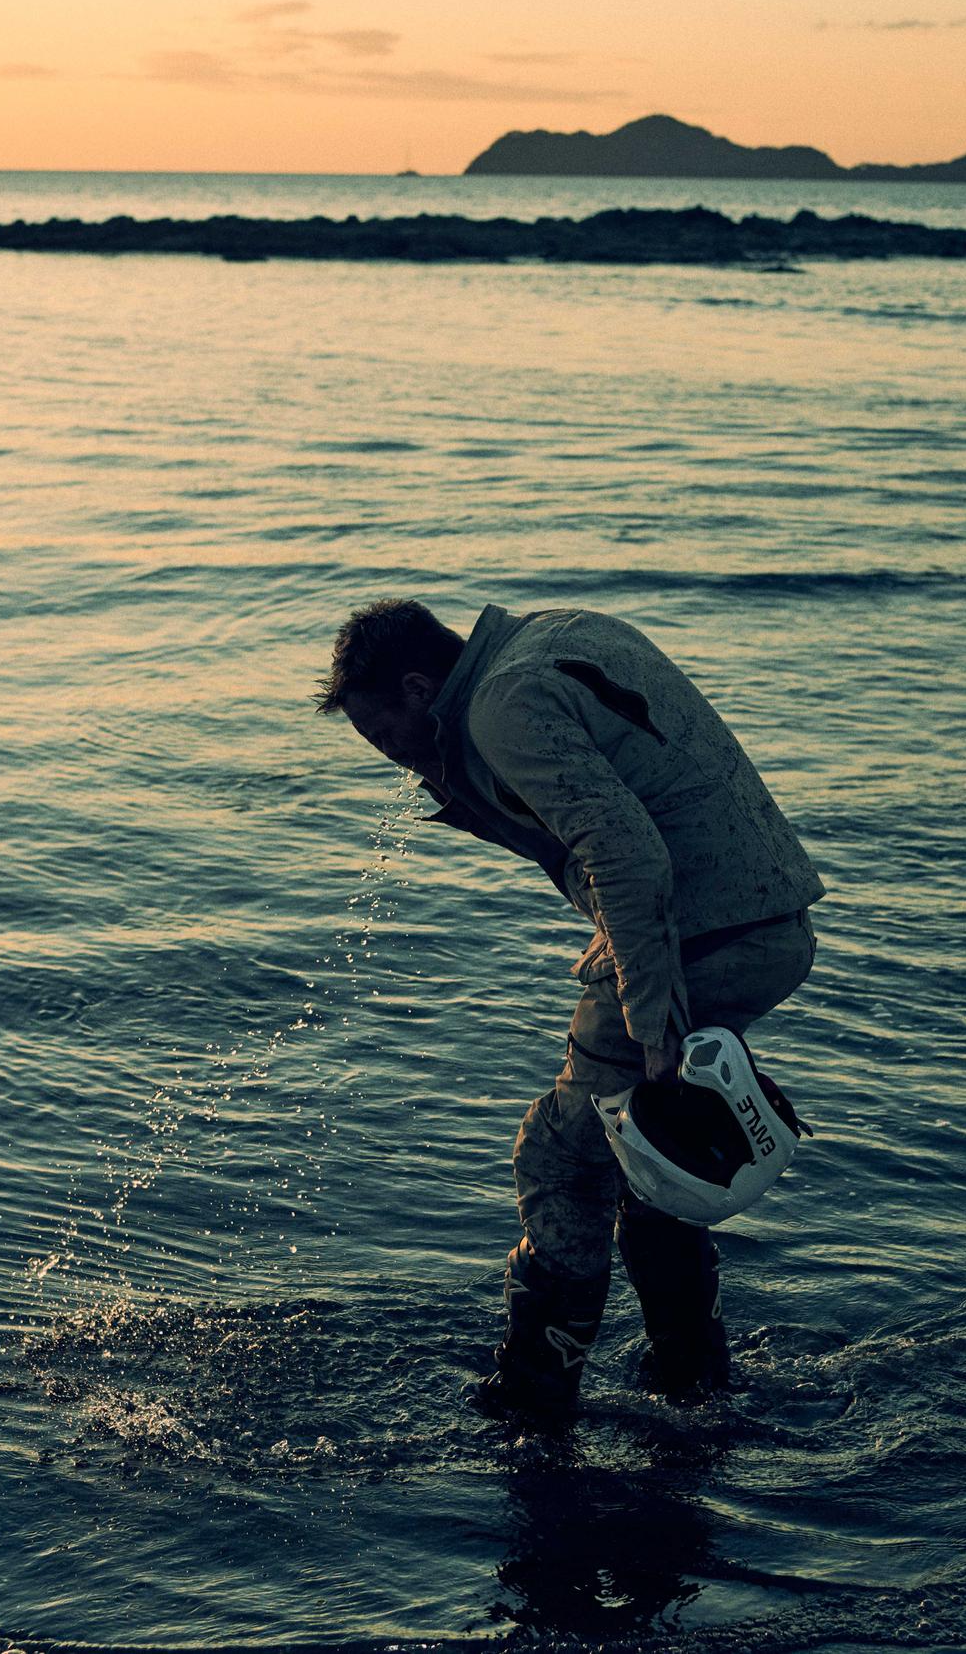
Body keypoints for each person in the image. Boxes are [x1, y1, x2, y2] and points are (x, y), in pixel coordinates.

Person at [315, 599, 824, 1420]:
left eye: (382, 738)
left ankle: (535, 1405)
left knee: (560, 1155)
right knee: (643, 1157)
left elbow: (624, 852)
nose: (394, 763)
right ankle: (692, 1385)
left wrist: (652, 1018)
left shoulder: (501, 706)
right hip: (761, 916)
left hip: (701, 934)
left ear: (417, 688)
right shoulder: (550, 635)